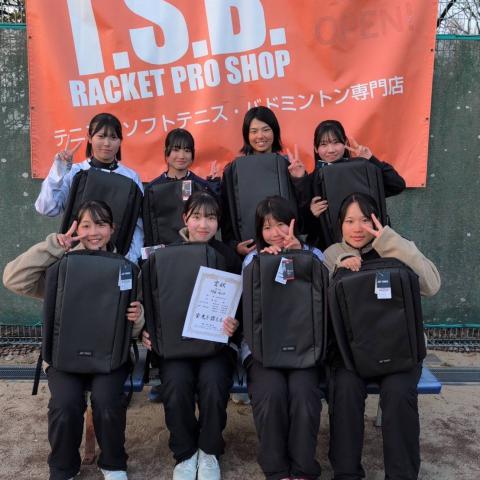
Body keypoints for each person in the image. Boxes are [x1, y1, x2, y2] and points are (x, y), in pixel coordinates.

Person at [3, 200, 145, 480]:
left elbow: (134, 331)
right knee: (65, 405)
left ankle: (114, 464)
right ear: (76, 228)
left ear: (112, 229)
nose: (94, 232)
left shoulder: (127, 270)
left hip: (110, 358)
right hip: (63, 357)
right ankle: (63, 468)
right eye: (86, 225)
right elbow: (13, 279)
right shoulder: (59, 268)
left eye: (101, 224)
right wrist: (54, 246)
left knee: (107, 402)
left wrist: (138, 317)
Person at [323, 193, 441, 480]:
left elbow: (431, 285)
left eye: (365, 220)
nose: (357, 228)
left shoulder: (395, 246)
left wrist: (390, 241)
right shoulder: (332, 252)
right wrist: (340, 263)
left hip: (399, 349)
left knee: (399, 394)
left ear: (377, 220)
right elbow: (320, 295)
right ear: (340, 225)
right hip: (351, 352)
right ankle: (346, 473)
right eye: (349, 221)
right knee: (345, 390)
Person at [142, 191, 241, 480]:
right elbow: (149, 301)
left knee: (213, 383)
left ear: (218, 222)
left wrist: (235, 325)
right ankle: (185, 453)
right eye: (196, 216)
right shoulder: (164, 255)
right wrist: (147, 332)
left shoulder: (228, 257)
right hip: (175, 348)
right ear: (185, 218)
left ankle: (209, 451)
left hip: (217, 346)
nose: (203, 224)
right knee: (175, 385)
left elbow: (242, 302)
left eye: (211, 218)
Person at [241, 195, 325, 480]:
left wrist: (299, 256)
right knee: (270, 393)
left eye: (280, 224)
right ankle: (276, 470)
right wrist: (263, 266)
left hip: (306, 347)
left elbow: (325, 296)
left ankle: (302, 469)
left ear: (294, 223)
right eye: (267, 227)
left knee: (304, 395)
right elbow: (247, 308)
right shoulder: (253, 259)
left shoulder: (315, 255)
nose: (275, 233)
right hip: (262, 348)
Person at [34, 112, 144, 263]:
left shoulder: (131, 177)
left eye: (113, 137)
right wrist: (58, 170)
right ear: (90, 138)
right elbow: (46, 208)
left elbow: (137, 225)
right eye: (101, 136)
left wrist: (130, 259)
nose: (107, 143)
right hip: (74, 257)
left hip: (116, 259)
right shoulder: (74, 171)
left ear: (120, 141)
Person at [221, 106, 307, 257]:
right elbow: (226, 218)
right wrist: (235, 246)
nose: (260, 136)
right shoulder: (233, 171)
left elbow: (305, 212)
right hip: (251, 254)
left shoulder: (288, 166)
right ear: (247, 135)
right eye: (254, 131)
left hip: (289, 249)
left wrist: (299, 180)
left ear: (275, 132)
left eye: (266, 130)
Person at [307, 119, 405, 225]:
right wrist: (312, 214)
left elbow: (397, 185)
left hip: (370, 234)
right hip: (330, 236)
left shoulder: (362, 169)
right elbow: (303, 226)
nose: (331, 150)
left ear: (345, 143)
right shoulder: (312, 180)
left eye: (336, 142)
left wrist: (371, 159)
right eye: (324, 144)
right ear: (316, 148)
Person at [142, 128, 220, 247]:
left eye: (187, 150)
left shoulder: (203, 186)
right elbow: (148, 229)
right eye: (176, 150)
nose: (181, 156)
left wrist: (215, 187)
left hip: (198, 251)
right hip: (163, 253)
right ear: (166, 152)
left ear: (193, 154)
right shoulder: (152, 188)